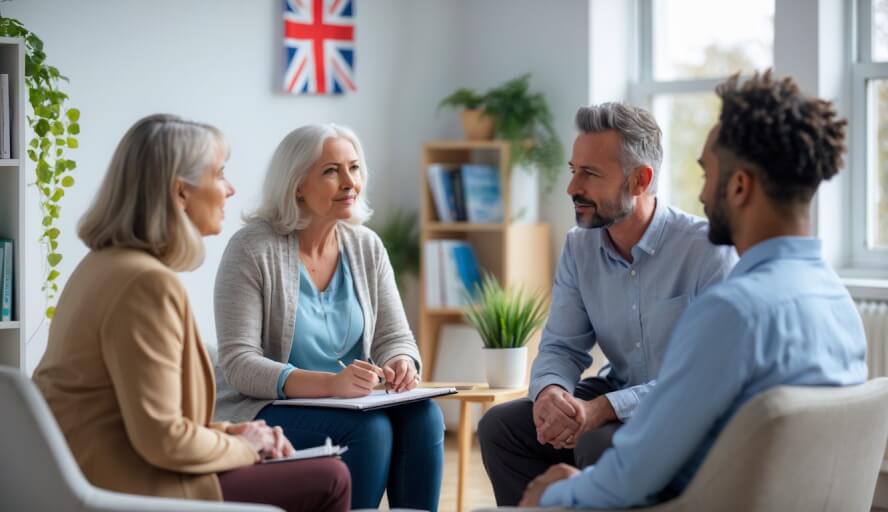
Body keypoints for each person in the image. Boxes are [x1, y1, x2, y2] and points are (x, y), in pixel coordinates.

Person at [520, 71, 868, 509]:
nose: (701, 194)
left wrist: (552, 496)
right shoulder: (837, 302)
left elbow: (633, 476)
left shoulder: (735, 312)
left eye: (707, 173)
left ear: (739, 186)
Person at [31, 114, 351, 512]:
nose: (231, 189)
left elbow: (136, 417)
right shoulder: (144, 284)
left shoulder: (102, 265)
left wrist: (230, 431)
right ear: (181, 193)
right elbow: (163, 439)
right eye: (220, 174)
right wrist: (242, 445)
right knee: (331, 478)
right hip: (127, 486)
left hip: (91, 470)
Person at [478, 102, 738, 505]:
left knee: (598, 443)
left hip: (686, 413)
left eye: (590, 174)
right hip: (616, 389)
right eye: (573, 170)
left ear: (640, 180)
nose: (571, 188)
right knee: (501, 427)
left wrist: (604, 408)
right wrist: (551, 393)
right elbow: (562, 346)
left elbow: (702, 380)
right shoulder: (579, 246)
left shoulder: (707, 251)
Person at [213, 123, 445, 511]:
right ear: (296, 184)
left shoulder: (366, 246)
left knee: (424, 416)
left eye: (354, 168)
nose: (349, 182)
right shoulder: (252, 249)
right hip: (265, 406)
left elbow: (395, 337)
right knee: (369, 431)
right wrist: (331, 385)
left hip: (352, 402)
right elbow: (239, 364)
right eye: (331, 171)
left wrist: (401, 362)